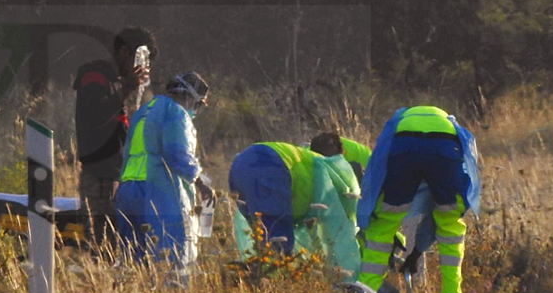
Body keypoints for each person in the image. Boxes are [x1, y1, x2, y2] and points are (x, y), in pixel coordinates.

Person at [355, 105, 481, 293]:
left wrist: (369, 212)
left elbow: (377, 166)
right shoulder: (451, 123)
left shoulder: (398, 120)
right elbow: (468, 167)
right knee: (450, 226)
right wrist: (417, 251)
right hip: (445, 147)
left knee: (384, 225)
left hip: (404, 147)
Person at [114, 71, 214, 265]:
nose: (195, 110)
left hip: (127, 191)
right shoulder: (176, 112)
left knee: (133, 261)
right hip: (156, 192)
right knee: (170, 258)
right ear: (187, 96)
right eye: (198, 104)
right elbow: (176, 155)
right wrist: (200, 183)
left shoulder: (144, 110)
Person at [229, 134, 361, 274]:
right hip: (271, 168)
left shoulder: (308, 158)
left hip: (240, 164)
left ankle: (242, 280)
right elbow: (342, 232)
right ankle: (272, 287)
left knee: (261, 240)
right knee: (277, 249)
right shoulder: (336, 178)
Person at [74, 27, 157, 249]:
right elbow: (94, 113)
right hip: (99, 175)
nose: (140, 69)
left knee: (119, 244)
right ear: (123, 52)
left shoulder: (118, 81)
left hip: (118, 175)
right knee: (99, 245)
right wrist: (127, 88)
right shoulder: (95, 74)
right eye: (139, 60)